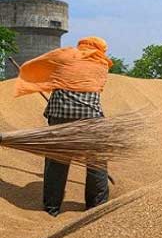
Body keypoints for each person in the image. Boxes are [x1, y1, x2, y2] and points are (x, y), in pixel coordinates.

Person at [14, 37, 113, 217]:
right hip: (91, 119)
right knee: (96, 161)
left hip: (60, 116)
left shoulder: (67, 54)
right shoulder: (103, 64)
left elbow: (41, 62)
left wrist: (33, 74)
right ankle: (97, 207)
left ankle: (51, 209)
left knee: (57, 162)